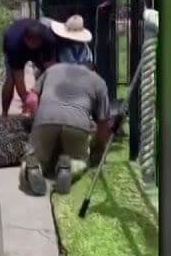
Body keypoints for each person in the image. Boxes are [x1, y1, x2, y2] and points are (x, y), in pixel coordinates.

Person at [18, 61, 113, 196]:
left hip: (46, 119)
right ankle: (70, 166)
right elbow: (104, 123)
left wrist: (36, 124)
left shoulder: (53, 70)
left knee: (36, 155)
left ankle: (33, 167)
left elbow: (31, 101)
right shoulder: (99, 81)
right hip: (77, 123)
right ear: (93, 71)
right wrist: (100, 147)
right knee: (80, 160)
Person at [0, 17, 58, 117]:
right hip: (13, 40)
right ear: (26, 39)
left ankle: (47, 105)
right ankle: (4, 113)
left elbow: (51, 70)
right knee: (11, 79)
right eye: (31, 43)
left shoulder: (49, 39)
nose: (33, 46)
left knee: (46, 73)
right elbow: (19, 78)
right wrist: (26, 101)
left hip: (39, 44)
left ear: (41, 40)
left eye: (36, 43)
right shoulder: (14, 44)